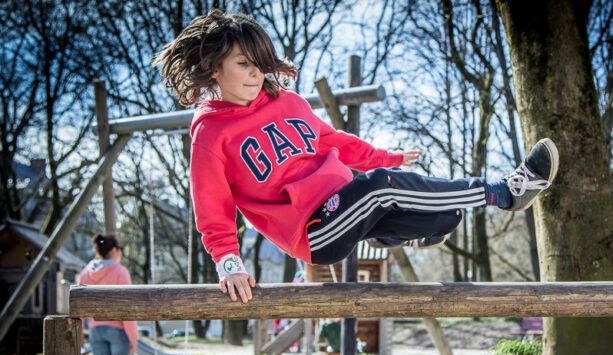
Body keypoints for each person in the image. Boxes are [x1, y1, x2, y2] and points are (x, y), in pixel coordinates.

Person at [153, 9, 558, 304]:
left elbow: (336, 142)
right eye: (244, 64)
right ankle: (504, 192)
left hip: (347, 202)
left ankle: (390, 231)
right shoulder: (211, 134)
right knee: (380, 188)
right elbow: (212, 208)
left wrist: (389, 157)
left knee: (444, 217)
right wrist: (229, 263)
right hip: (311, 230)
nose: (256, 74)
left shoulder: (288, 103)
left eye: (260, 65)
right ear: (213, 68)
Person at [78, 234, 138, 355]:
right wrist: (133, 337)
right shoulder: (120, 272)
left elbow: (79, 307)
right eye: (120, 248)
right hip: (117, 330)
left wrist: (79, 337)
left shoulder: (85, 273)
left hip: (95, 330)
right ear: (114, 250)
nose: (121, 252)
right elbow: (127, 308)